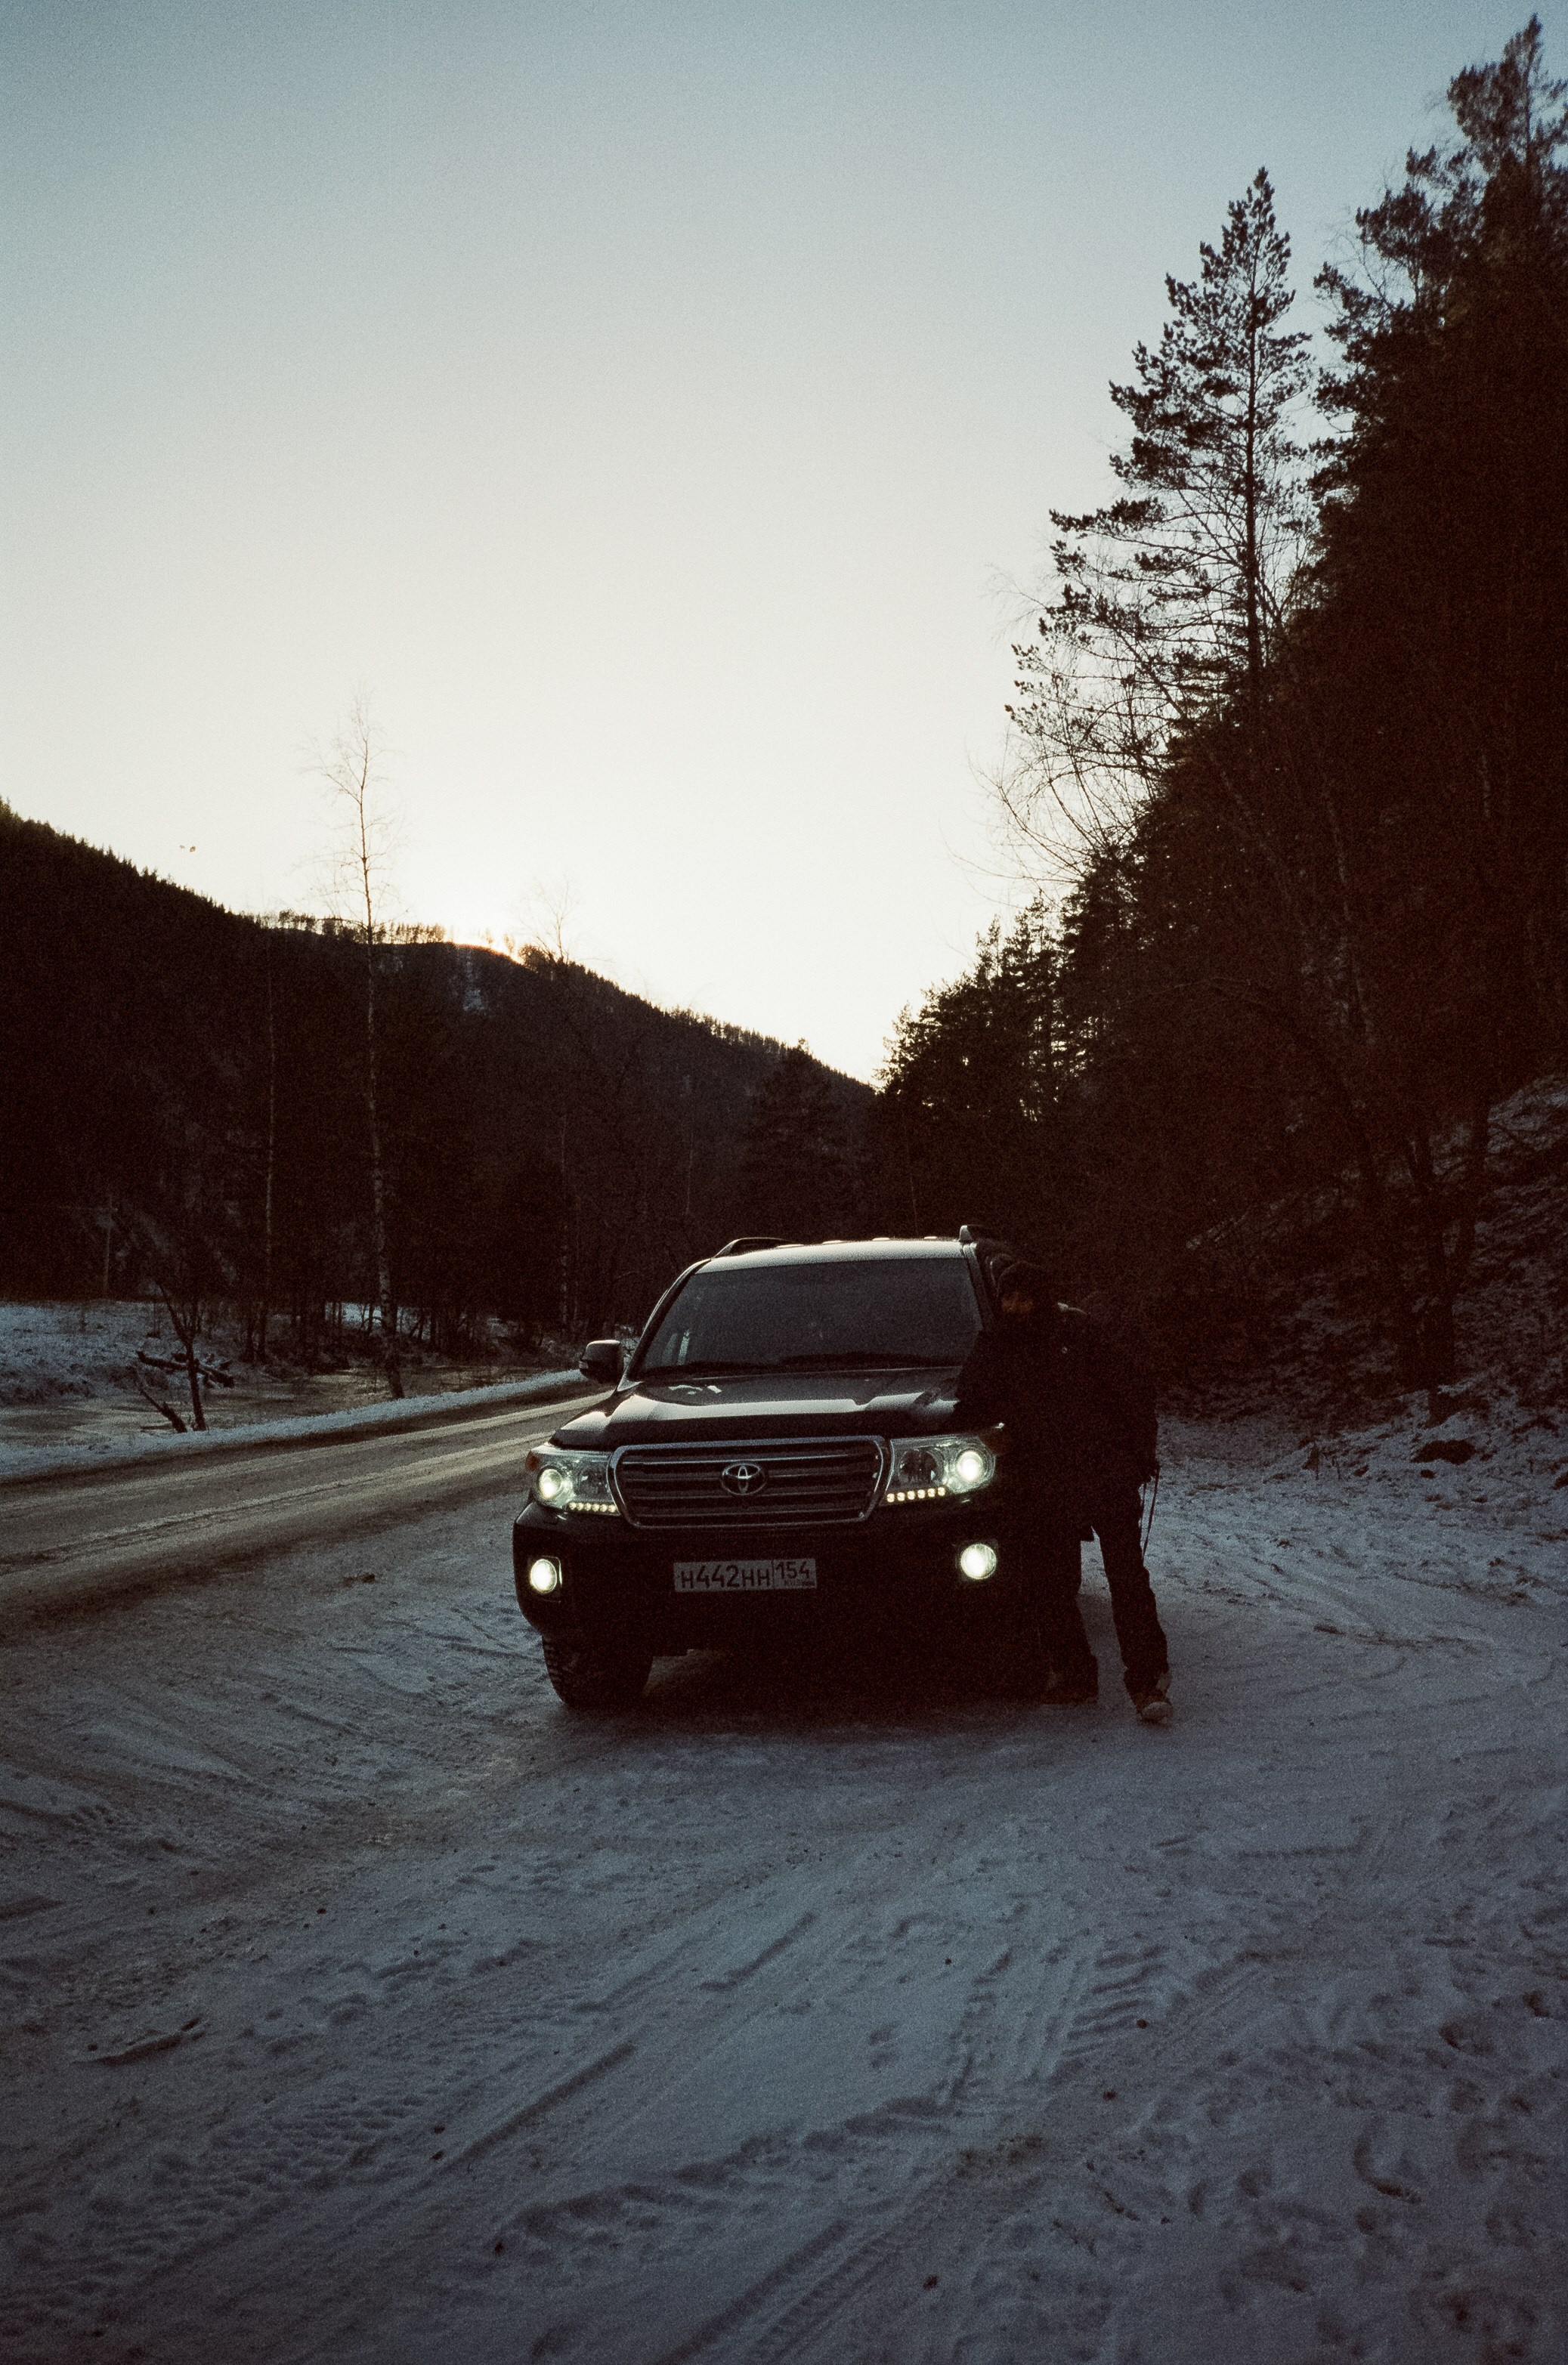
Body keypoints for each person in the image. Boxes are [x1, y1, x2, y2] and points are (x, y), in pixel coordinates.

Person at [955, 1258, 1171, 1724]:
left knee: (1127, 1580)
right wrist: (990, 1434)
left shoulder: (1083, 1335)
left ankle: (1148, 1681)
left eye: (1024, 1297)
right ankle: (1075, 1676)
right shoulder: (996, 1345)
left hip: (1104, 1472)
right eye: (1008, 1297)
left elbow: (1132, 1392)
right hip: (1042, 1480)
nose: (1016, 1307)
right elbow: (970, 1401)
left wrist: (1139, 1457)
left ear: (1043, 1297)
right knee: (1050, 1585)